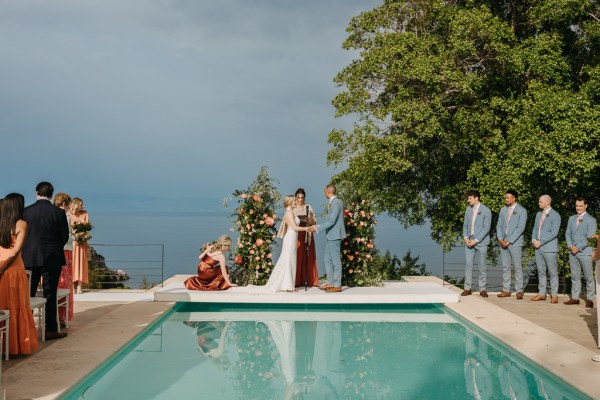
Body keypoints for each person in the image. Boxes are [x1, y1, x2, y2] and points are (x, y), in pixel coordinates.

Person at [22, 182, 69, 340]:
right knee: (50, 293)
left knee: (28, 294)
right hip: (52, 257)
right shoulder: (58, 213)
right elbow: (64, 237)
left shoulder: (26, 211)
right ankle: (50, 329)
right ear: (51, 194)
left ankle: (26, 330)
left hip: (29, 257)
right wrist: (54, 248)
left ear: (37, 193)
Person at [0, 193, 39, 355]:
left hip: (2, 265)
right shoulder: (21, 224)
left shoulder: (1, 224)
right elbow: (16, 251)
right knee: (17, 307)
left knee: (3, 307)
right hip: (13, 269)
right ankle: (15, 346)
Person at [259, 195, 309, 293]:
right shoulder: (289, 213)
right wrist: (306, 229)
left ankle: (288, 284)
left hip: (292, 237)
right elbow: (294, 227)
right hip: (290, 237)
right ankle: (288, 286)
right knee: (288, 259)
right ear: (290, 202)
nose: (296, 202)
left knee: (290, 259)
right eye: (294, 200)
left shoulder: (291, 212)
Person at [309, 184, 346, 293]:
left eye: (325, 192)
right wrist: (317, 226)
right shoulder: (333, 203)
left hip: (335, 236)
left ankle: (337, 285)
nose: (324, 193)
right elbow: (330, 220)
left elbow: (331, 221)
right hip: (331, 235)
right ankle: (330, 283)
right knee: (327, 259)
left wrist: (316, 228)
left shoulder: (336, 203)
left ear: (328, 192)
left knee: (335, 261)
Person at [564, 197, 597, 307]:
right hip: (572, 252)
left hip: (584, 252)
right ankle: (575, 298)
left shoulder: (591, 220)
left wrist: (577, 248)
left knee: (588, 276)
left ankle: (590, 299)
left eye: (580, 206)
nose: (578, 208)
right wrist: (570, 246)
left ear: (586, 206)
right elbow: (567, 233)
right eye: (577, 205)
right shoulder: (571, 218)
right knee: (575, 276)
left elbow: (589, 237)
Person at [496, 189, 527, 299]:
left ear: (514, 198)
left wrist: (509, 241)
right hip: (503, 243)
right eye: (505, 197)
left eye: (507, 197)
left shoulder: (522, 210)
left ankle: (519, 290)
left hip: (515, 243)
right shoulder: (503, 210)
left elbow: (520, 228)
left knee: (518, 267)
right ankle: (506, 290)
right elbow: (499, 225)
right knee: (505, 267)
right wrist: (500, 239)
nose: (506, 199)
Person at [530, 195, 561, 304]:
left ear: (547, 202)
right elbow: (535, 228)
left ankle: (554, 295)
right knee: (541, 271)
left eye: (540, 202)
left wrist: (540, 242)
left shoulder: (555, 215)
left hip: (549, 249)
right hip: (538, 248)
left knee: (553, 272)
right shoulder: (539, 214)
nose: (539, 203)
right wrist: (533, 239)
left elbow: (554, 233)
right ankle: (542, 293)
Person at [461, 190, 492, 297]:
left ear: (476, 198)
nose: (468, 200)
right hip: (469, 242)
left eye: (470, 198)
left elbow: (486, 228)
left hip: (481, 242)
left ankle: (482, 289)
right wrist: (466, 238)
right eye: (468, 198)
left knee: (482, 266)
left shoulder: (486, 210)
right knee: (468, 265)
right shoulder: (468, 210)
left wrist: (476, 240)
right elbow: (465, 225)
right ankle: (467, 288)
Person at [54, 193, 74, 325]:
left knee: (59, 282)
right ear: (65, 204)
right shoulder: (65, 216)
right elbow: (66, 237)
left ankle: (58, 315)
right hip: (65, 251)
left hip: (55, 251)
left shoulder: (53, 213)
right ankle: (61, 315)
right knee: (64, 283)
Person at [293, 188, 318, 287]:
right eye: (298, 197)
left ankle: (310, 280)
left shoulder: (308, 207)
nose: (300, 199)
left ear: (304, 198)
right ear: (295, 197)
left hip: (307, 232)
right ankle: (297, 280)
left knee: (309, 255)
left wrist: (309, 218)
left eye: (302, 197)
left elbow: (314, 222)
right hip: (297, 233)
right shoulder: (293, 207)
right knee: (297, 255)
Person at [69, 197, 89, 295]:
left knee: (81, 263)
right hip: (73, 242)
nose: (83, 206)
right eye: (81, 204)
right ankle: (72, 285)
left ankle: (80, 286)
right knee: (72, 263)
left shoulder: (85, 213)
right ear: (76, 205)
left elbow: (87, 227)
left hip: (82, 242)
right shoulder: (69, 214)